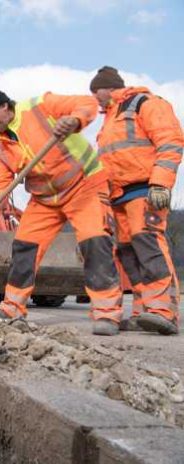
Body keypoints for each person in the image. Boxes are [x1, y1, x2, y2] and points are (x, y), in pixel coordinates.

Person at [0, 84, 123, 336]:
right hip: (45, 199)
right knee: (24, 246)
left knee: (94, 243)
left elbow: (86, 102)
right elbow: (0, 184)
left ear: (3, 106)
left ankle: (107, 314)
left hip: (84, 185)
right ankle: (12, 309)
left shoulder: (39, 106)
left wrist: (74, 120)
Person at [90, 66, 182, 335]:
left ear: (109, 88)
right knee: (129, 253)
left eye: (96, 91)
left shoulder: (144, 104)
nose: (94, 97)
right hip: (119, 197)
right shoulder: (110, 118)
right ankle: (145, 310)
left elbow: (171, 141)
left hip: (146, 190)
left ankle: (164, 311)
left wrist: (161, 183)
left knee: (149, 245)